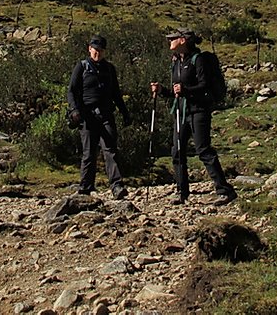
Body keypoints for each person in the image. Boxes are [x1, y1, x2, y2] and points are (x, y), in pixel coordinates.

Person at [151, 28, 237, 206]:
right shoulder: (176, 61)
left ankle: (224, 190)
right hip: (181, 111)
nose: (170, 41)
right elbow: (176, 92)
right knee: (177, 151)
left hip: (199, 111)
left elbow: (204, 85)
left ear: (182, 40)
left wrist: (185, 90)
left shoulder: (199, 60)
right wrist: (162, 91)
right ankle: (182, 192)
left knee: (203, 149)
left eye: (173, 38)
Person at [67, 34, 132, 198]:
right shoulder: (81, 67)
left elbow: (116, 93)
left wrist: (125, 113)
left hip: (106, 114)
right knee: (89, 153)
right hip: (87, 117)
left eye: (101, 50)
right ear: (90, 49)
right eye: (95, 50)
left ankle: (117, 186)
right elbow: (72, 91)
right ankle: (85, 187)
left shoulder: (109, 69)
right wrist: (74, 110)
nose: (98, 53)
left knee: (110, 150)